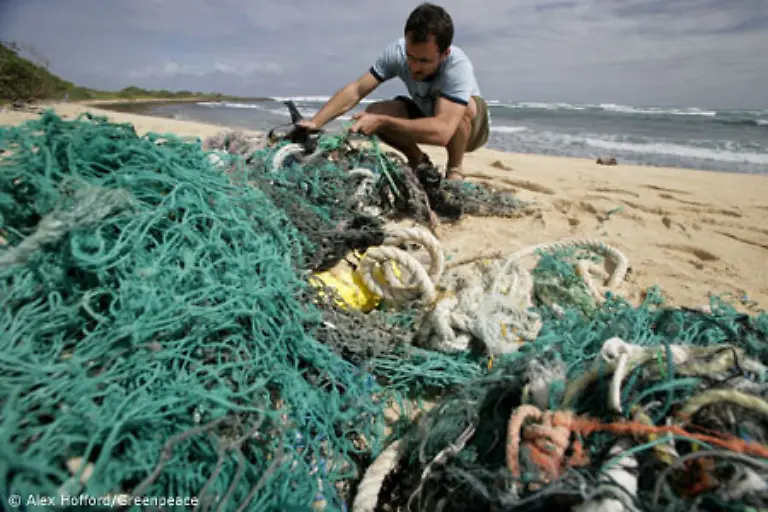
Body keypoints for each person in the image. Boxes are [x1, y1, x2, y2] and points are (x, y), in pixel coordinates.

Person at [299, 3, 490, 180]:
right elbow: (356, 90)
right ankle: (418, 161)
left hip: (470, 130)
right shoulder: (397, 52)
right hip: (426, 111)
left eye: (424, 61)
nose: (414, 67)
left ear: (444, 54)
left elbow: (443, 132)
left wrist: (383, 122)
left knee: (460, 111)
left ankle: (454, 170)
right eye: (410, 57)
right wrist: (316, 122)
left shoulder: (457, 65)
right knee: (375, 111)